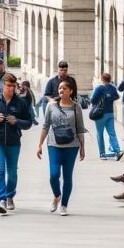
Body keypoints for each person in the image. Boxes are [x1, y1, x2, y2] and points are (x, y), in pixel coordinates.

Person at [0, 73, 33, 214]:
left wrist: (17, 121)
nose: (11, 89)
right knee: (0, 170)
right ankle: (2, 199)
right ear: (3, 85)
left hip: (13, 141)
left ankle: (10, 195)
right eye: (8, 86)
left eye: (13, 86)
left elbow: (29, 123)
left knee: (12, 173)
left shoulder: (20, 103)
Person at [37, 80, 87, 216]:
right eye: (60, 88)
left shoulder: (76, 108)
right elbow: (45, 125)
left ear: (70, 91)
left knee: (67, 176)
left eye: (64, 88)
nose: (61, 90)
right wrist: (40, 144)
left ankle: (64, 205)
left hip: (72, 146)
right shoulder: (51, 106)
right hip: (54, 144)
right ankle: (57, 196)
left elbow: (80, 129)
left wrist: (82, 147)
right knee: (54, 175)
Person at [90, 73, 124, 160]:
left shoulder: (99, 88)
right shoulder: (113, 88)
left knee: (100, 134)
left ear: (102, 79)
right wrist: (109, 98)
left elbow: (93, 99)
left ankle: (102, 153)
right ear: (110, 79)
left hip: (100, 114)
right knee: (112, 133)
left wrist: (99, 100)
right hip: (110, 113)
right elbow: (116, 96)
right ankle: (117, 151)